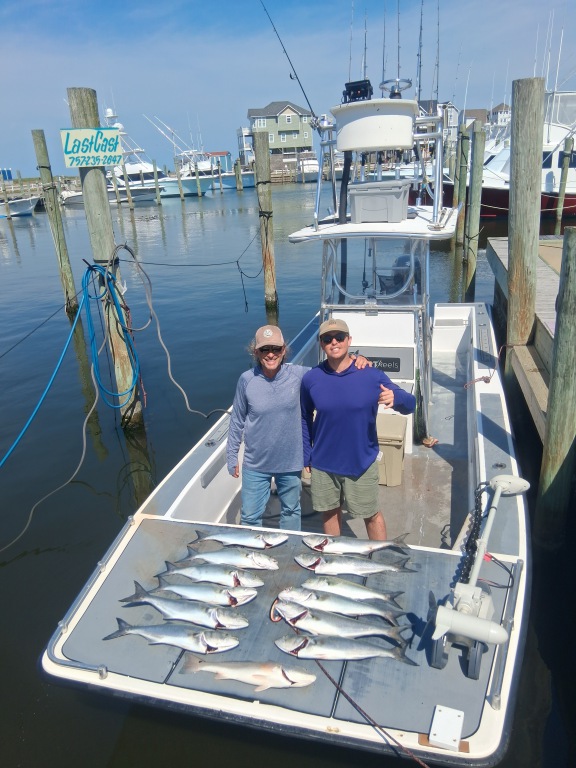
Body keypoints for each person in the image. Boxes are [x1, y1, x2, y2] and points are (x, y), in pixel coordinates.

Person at [226, 324, 380, 531]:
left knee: (291, 511)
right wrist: (231, 456)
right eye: (264, 349)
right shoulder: (246, 380)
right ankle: (249, 549)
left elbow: (332, 370)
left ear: (284, 351)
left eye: (276, 349)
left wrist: (357, 359)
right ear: (256, 352)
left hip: (290, 463)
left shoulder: (300, 375)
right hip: (255, 464)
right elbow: (237, 420)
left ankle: (290, 546)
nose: (270, 354)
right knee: (250, 516)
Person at [301, 318, 416, 540]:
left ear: (349, 340)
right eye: (327, 339)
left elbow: (410, 405)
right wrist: (307, 454)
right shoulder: (311, 378)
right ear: (321, 344)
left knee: (371, 514)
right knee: (329, 512)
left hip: (361, 461)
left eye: (339, 337)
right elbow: (304, 416)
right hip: (323, 463)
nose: (334, 342)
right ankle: (335, 554)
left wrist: (397, 397)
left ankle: (380, 555)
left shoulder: (371, 375)